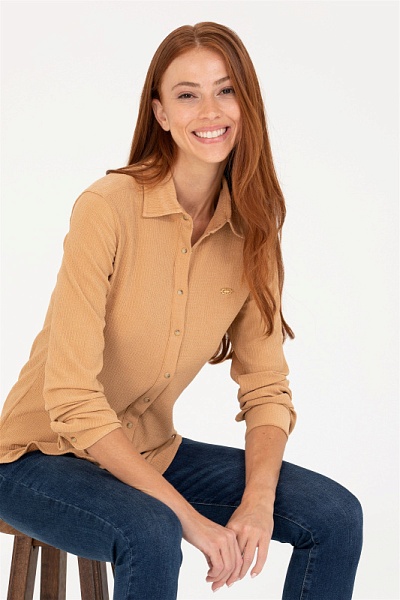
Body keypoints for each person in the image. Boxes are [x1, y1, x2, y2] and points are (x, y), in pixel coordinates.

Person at [0, 22, 362, 599]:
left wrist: (257, 503)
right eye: (187, 94)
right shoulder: (107, 208)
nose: (210, 111)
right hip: (34, 456)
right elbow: (70, 397)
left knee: (335, 516)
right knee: (152, 530)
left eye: (225, 90)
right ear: (161, 113)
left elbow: (266, 387)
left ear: (246, 103)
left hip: (150, 450)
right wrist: (191, 521)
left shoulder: (253, 227)